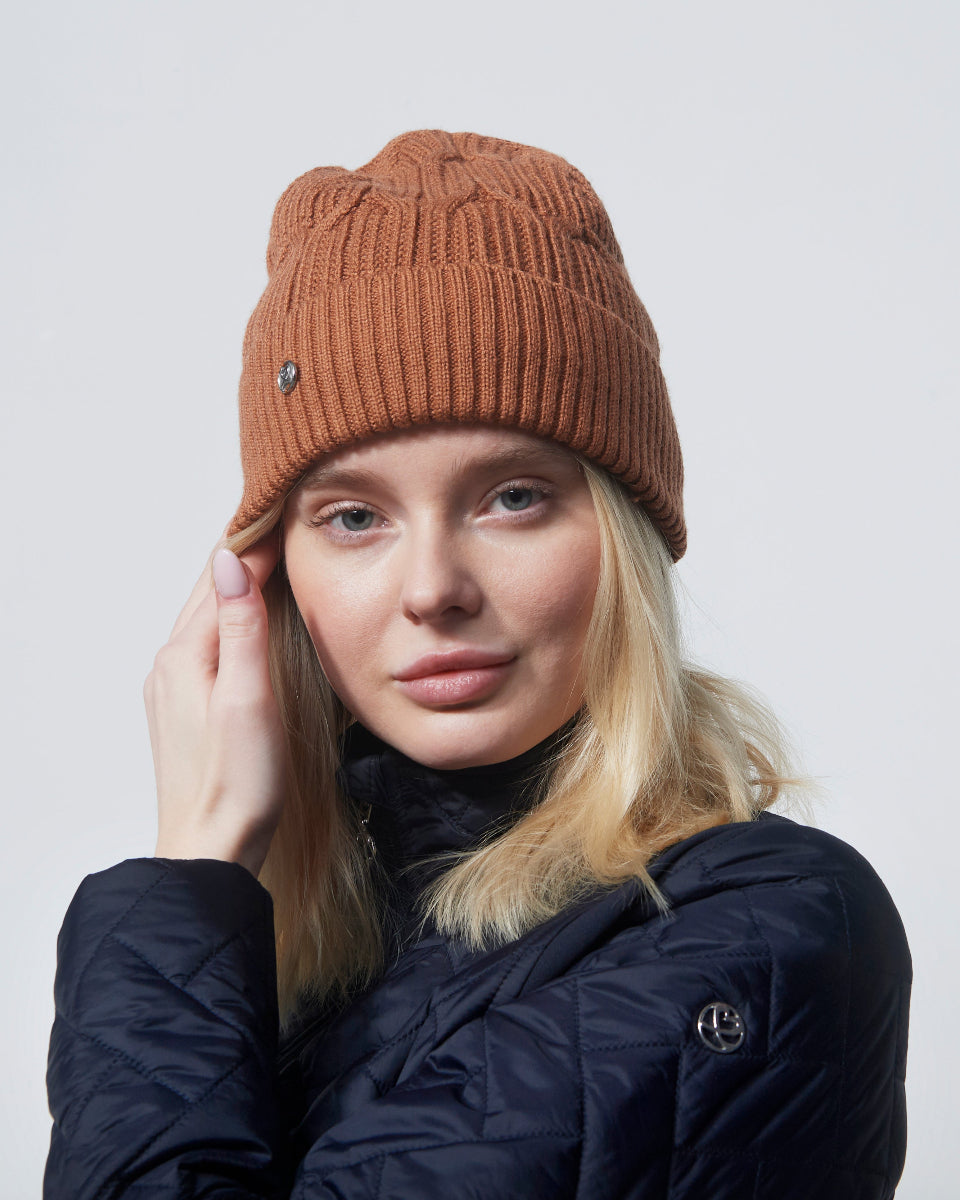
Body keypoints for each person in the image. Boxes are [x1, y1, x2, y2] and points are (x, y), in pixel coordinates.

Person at [44, 129, 911, 1199]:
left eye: (513, 497)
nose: (432, 588)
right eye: (353, 516)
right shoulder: (310, 943)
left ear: (625, 539)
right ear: (268, 577)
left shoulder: (767, 930)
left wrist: (194, 869)